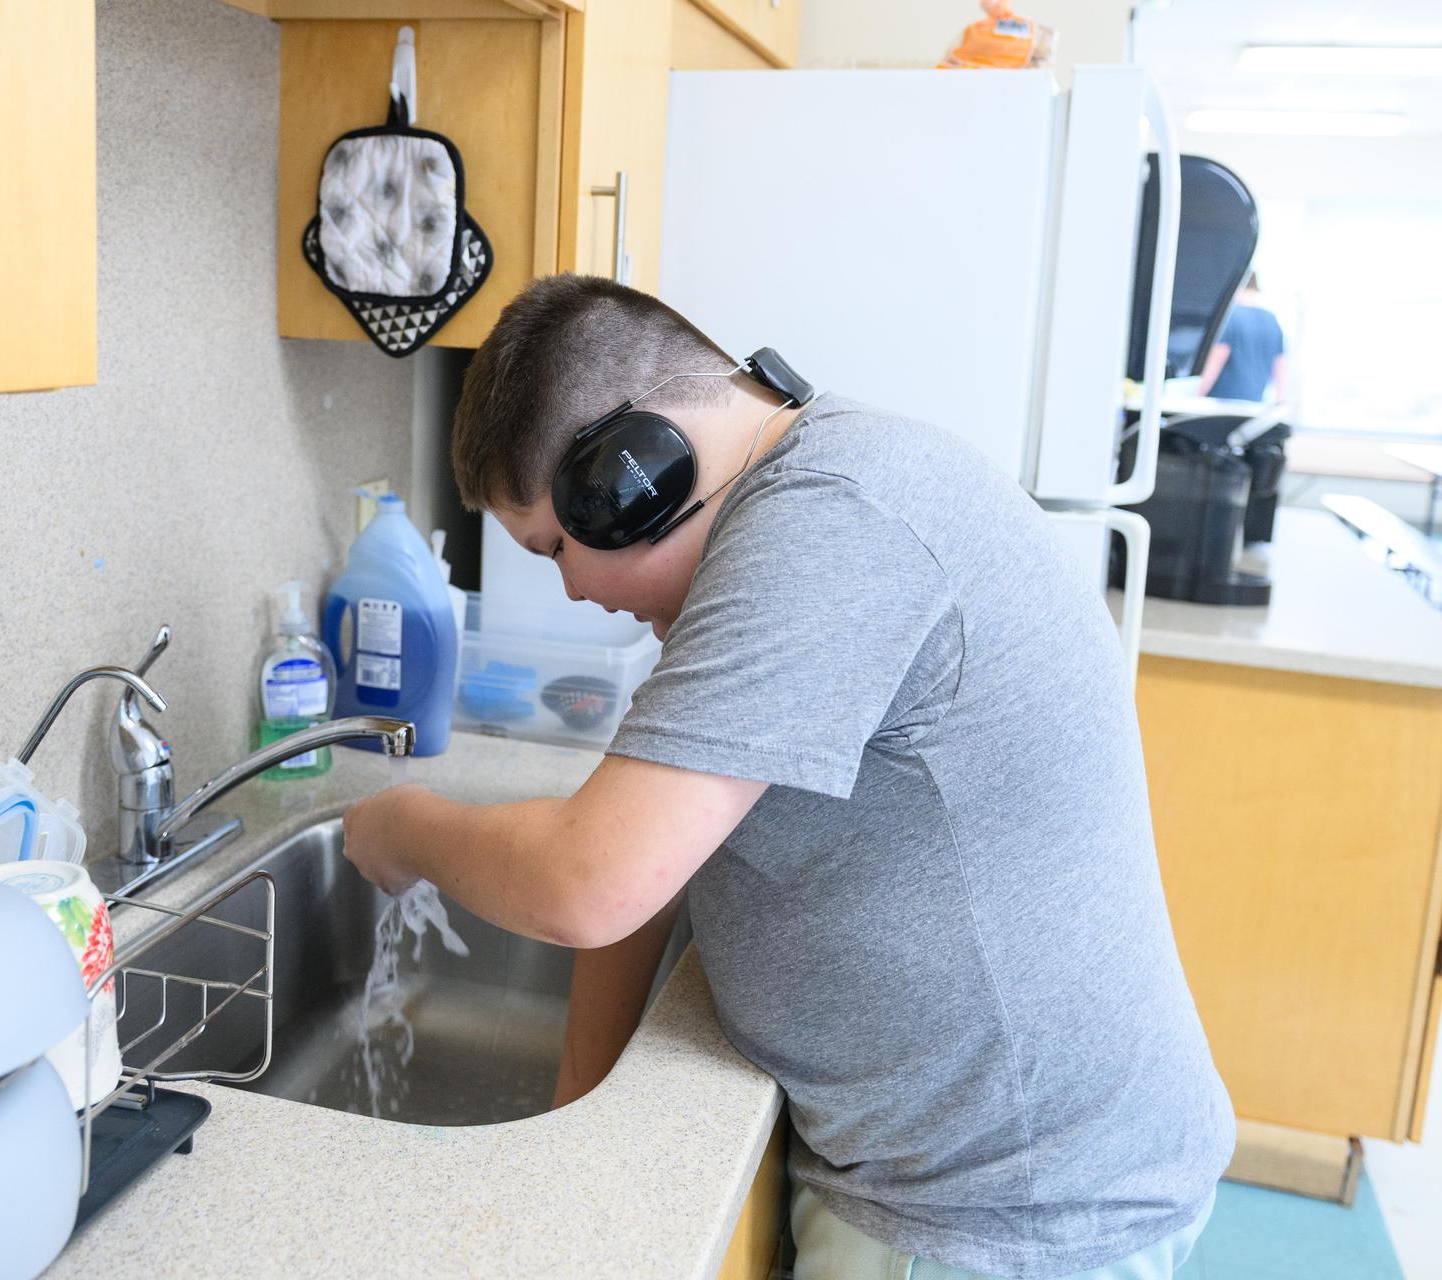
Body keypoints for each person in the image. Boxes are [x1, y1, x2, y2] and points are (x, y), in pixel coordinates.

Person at [340, 275, 1233, 1279]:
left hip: (1000, 1212)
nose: (575, 588)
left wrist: (407, 826)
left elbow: (588, 881)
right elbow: (643, 854)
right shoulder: (801, 503)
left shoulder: (826, 526)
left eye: (558, 545)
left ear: (636, 476)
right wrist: (570, 1117)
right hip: (987, 1170)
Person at [1198, 273, 1288, 402]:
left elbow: (1218, 357)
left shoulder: (1229, 315)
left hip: (1221, 405)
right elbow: (1280, 365)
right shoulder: (1272, 320)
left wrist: (1198, 394)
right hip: (1254, 405)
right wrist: (1280, 402)